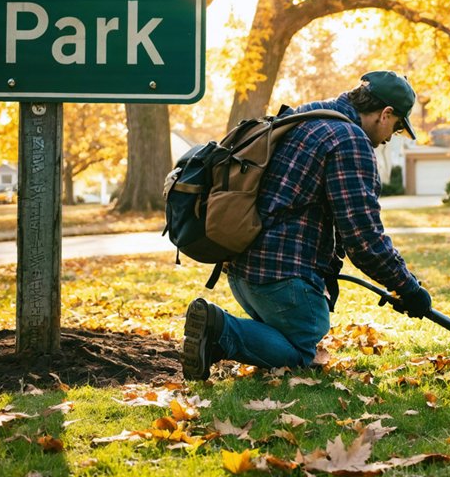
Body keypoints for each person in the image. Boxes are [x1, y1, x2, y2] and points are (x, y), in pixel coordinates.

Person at [182, 71, 432, 381]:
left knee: (287, 333)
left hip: (241, 269)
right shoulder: (350, 141)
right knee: (304, 346)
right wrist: (409, 287)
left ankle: (230, 332)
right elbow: (363, 238)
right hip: (281, 279)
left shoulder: (305, 115)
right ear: (385, 113)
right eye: (396, 127)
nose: (390, 137)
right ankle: (221, 329)